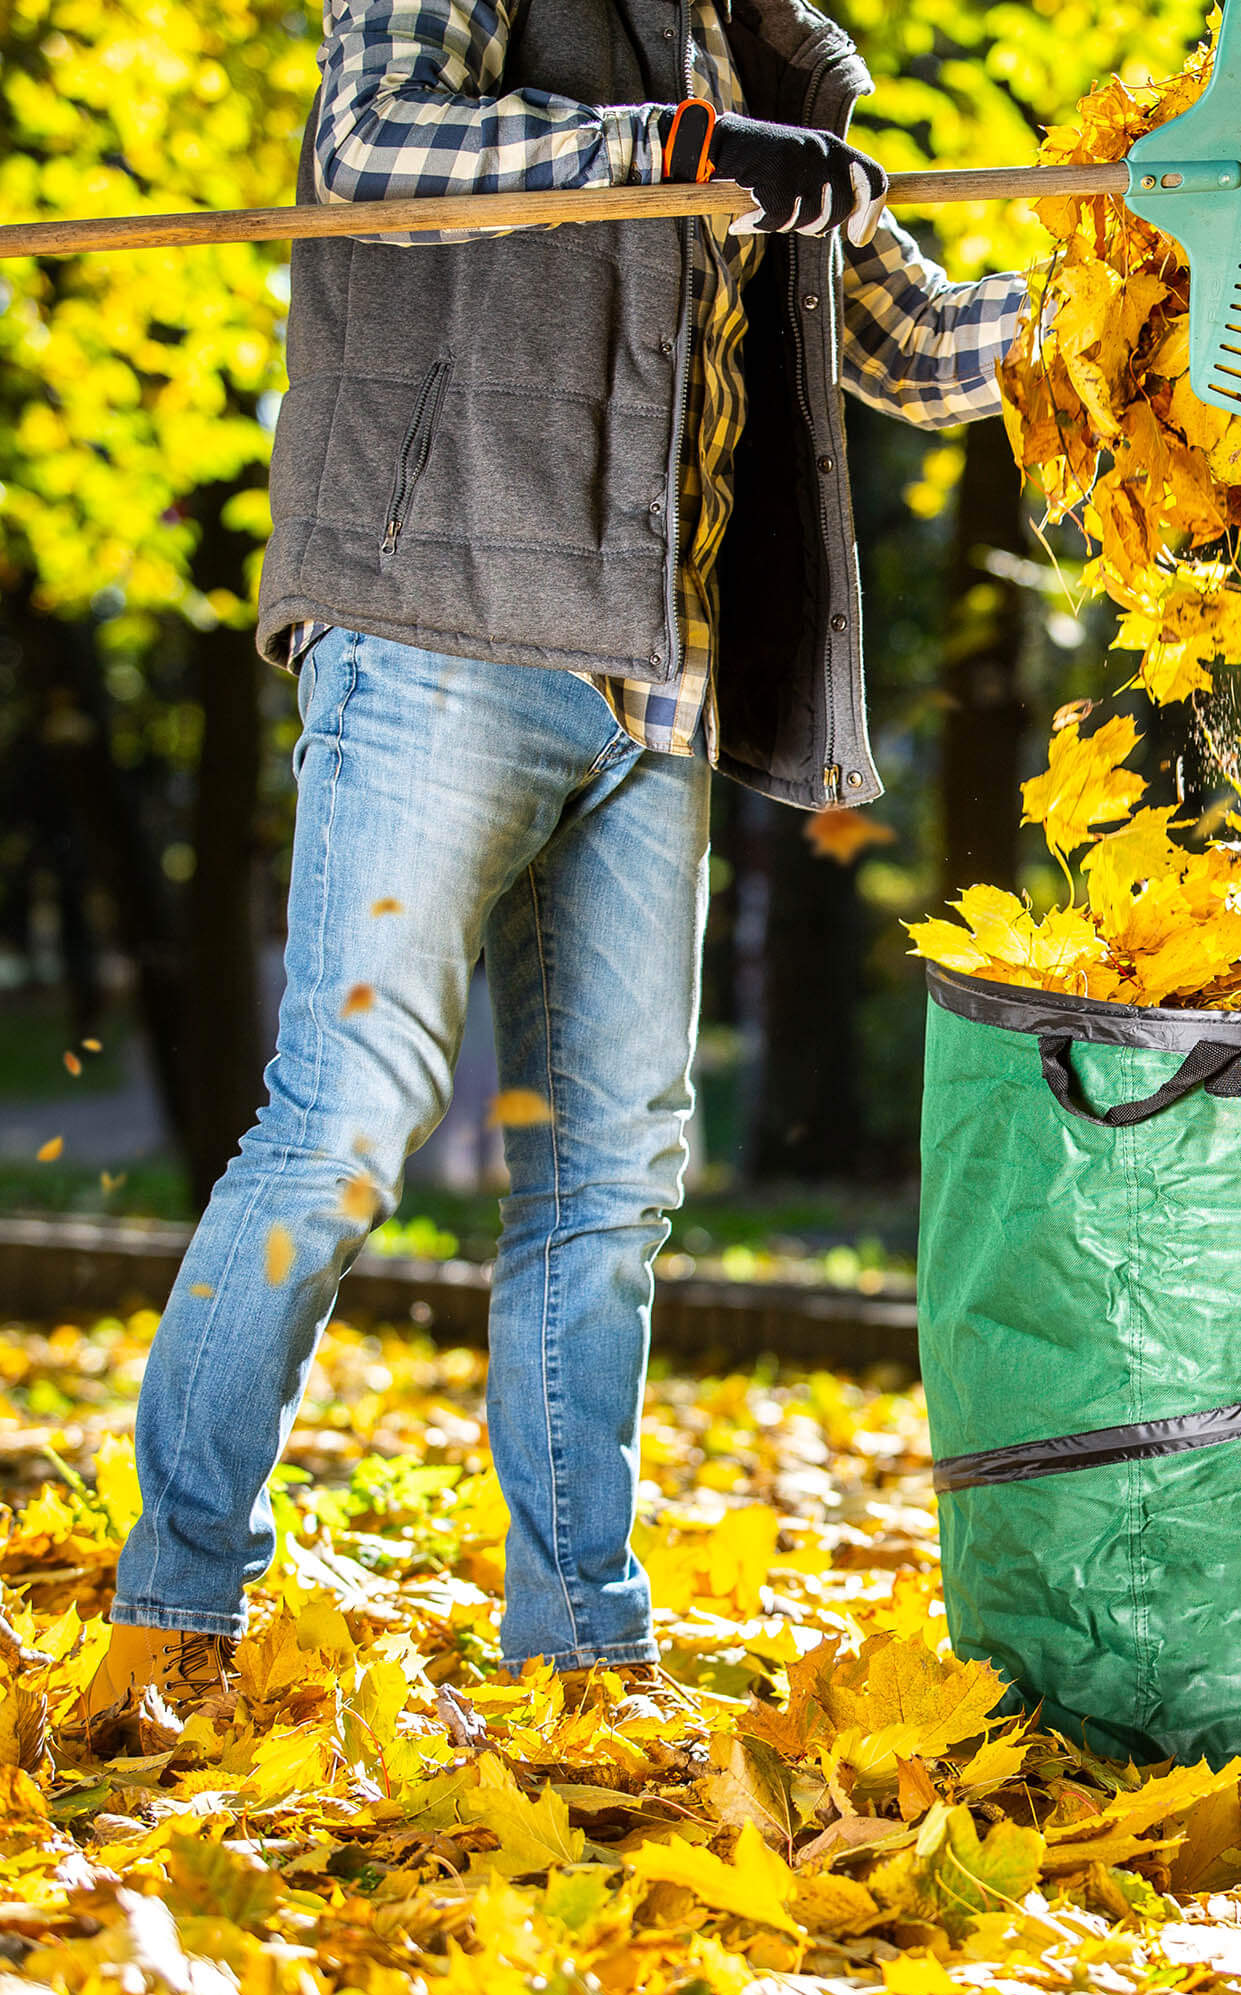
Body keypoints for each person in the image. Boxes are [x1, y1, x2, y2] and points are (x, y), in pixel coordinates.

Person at [81, 0, 1028, 1744]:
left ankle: (579, 1652)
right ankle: (173, 1615)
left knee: (613, 1179)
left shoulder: (779, 61)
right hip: (439, 626)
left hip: (655, 691)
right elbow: (370, 145)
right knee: (346, 1125)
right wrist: (661, 150)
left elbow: (926, 347)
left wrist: (1126, 295)